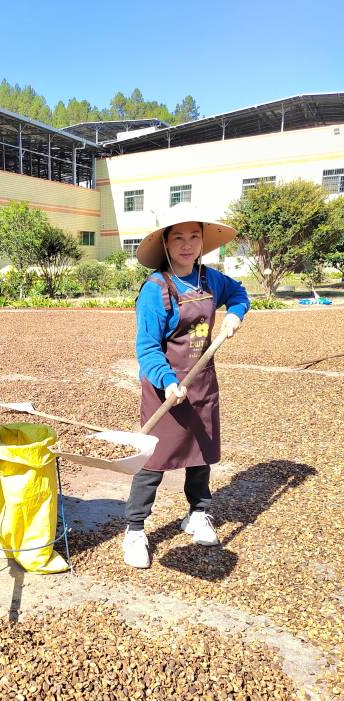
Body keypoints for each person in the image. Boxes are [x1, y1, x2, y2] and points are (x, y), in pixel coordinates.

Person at [123, 204, 250, 569]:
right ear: (164, 242)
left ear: (203, 241)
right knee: (154, 461)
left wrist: (235, 315)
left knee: (201, 452)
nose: (187, 244)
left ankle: (198, 512)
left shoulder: (211, 280)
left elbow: (240, 294)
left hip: (202, 382)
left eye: (194, 236)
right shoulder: (155, 290)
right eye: (177, 236)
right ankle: (134, 530)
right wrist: (167, 381)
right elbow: (146, 348)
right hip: (166, 385)